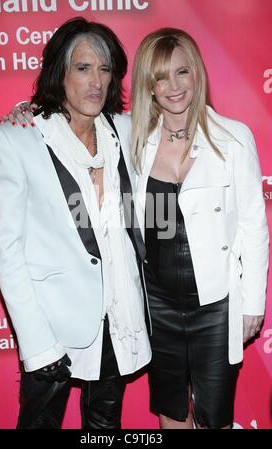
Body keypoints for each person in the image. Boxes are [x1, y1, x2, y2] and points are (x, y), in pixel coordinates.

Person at [0, 17, 151, 430]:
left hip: (119, 316)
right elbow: (8, 252)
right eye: (83, 68)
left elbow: (180, 115)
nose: (96, 81)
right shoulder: (18, 138)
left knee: (104, 427)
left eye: (105, 69)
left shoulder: (124, 130)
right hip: (53, 324)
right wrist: (37, 343)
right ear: (60, 72)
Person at [131, 28, 269, 429]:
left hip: (216, 304)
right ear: (148, 85)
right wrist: (25, 115)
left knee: (214, 418)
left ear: (198, 75)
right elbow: (75, 123)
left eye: (182, 72)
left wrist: (252, 305)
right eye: (160, 76)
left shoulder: (233, 138)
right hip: (157, 304)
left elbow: (254, 227)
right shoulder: (133, 138)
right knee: (171, 414)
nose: (172, 86)